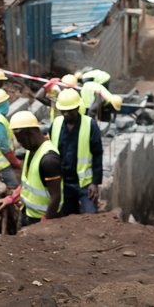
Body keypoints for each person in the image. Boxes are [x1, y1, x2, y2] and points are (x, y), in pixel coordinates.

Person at [0, 111, 62, 225]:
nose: (21, 144)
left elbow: (56, 196)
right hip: (27, 213)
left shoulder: (49, 160)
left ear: (30, 132)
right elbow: (28, 183)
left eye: (21, 140)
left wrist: (46, 222)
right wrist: (12, 198)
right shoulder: (31, 151)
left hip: (40, 219)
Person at [50, 88, 103, 216]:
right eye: (64, 111)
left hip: (85, 184)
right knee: (66, 218)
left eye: (70, 110)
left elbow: (97, 154)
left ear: (77, 107)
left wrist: (95, 182)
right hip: (64, 182)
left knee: (91, 217)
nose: (67, 114)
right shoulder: (56, 124)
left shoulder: (90, 124)